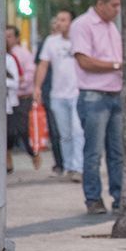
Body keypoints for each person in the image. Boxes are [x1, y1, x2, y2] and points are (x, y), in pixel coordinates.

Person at [70, 0, 124, 215]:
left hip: (115, 93)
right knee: (93, 152)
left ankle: (120, 197)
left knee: (117, 152)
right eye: (114, 5)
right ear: (100, 4)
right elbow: (84, 61)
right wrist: (117, 65)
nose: (117, 10)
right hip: (94, 95)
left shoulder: (112, 27)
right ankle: (93, 198)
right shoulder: (82, 25)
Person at [35, 10, 83, 183]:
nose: (59, 23)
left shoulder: (80, 39)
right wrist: (37, 87)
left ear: (71, 22)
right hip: (58, 94)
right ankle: (69, 166)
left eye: (63, 19)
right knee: (64, 134)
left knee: (78, 131)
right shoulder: (51, 41)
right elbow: (43, 65)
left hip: (77, 92)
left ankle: (79, 167)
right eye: (58, 20)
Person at [5, 26, 41, 172]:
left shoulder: (23, 54)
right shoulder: (1, 55)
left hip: (22, 96)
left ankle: (33, 153)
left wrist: (20, 83)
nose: (7, 39)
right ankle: (7, 157)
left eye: (10, 36)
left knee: (23, 128)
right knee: (8, 130)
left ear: (17, 38)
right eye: (5, 36)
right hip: (7, 99)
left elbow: (30, 74)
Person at [34, 18, 65, 177]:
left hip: (69, 92)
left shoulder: (73, 42)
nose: (57, 25)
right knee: (55, 130)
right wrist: (37, 88)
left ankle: (73, 163)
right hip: (50, 92)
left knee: (72, 131)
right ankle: (60, 163)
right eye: (54, 23)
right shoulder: (46, 44)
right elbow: (39, 66)